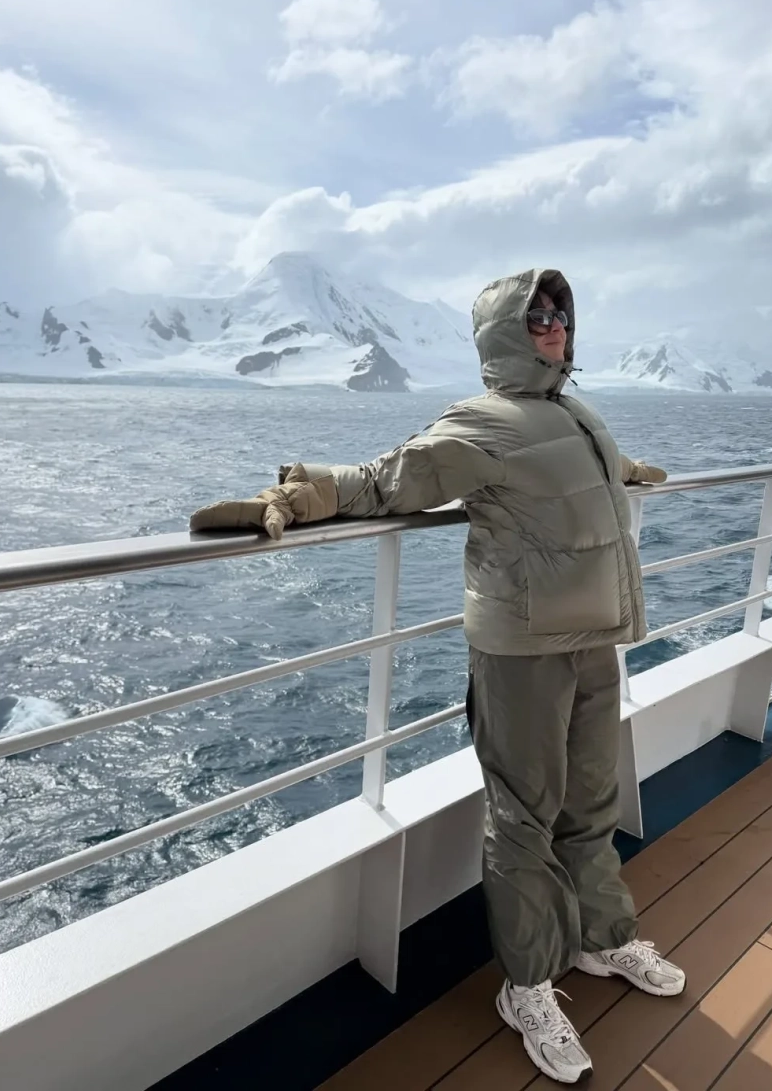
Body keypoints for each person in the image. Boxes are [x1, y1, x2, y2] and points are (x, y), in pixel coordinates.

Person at [189, 267, 684, 1085]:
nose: (555, 326)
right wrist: (295, 495)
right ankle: (526, 984)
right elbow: (388, 479)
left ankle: (602, 935)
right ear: (505, 333)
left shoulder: (576, 412)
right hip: (523, 650)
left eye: (561, 313)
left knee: (592, 802)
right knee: (524, 818)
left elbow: (570, 471)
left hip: (596, 638)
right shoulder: (480, 422)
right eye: (537, 316)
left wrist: (622, 469)